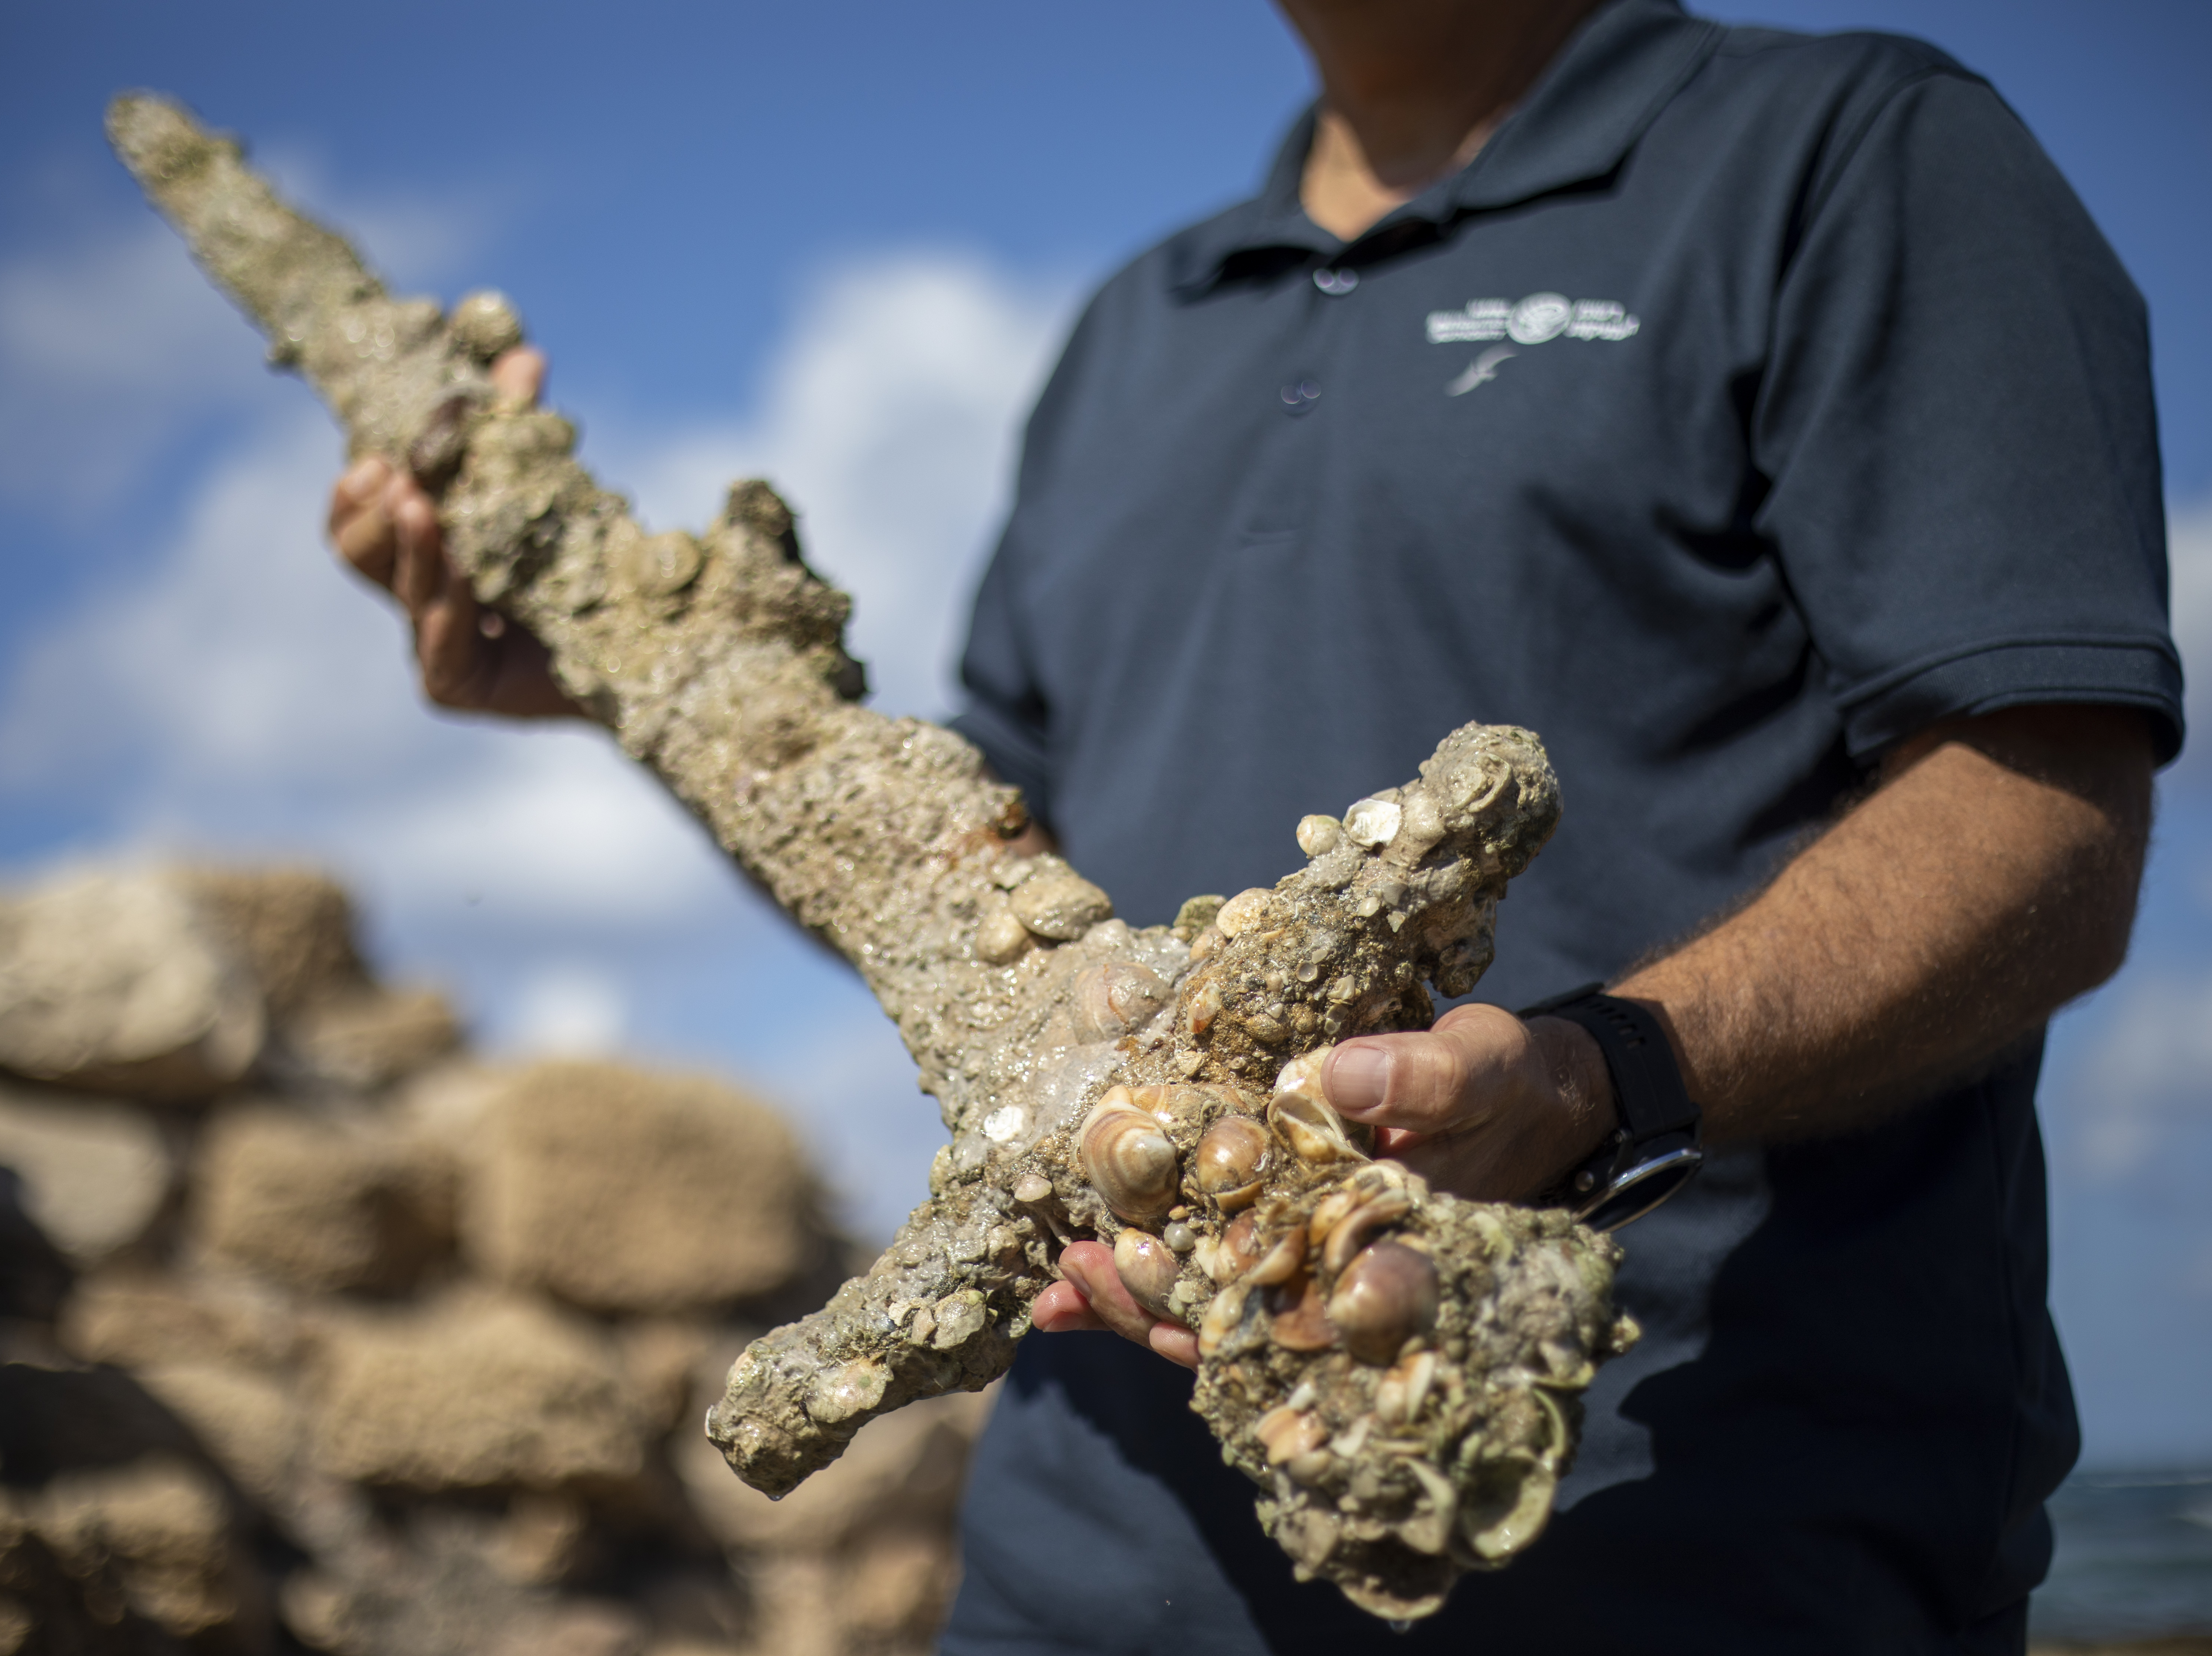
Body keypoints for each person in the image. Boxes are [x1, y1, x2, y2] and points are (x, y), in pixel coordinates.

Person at [327, 0, 2181, 1648]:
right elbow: (965, 921)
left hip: (1703, 1553)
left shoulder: (1846, 157)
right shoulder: (1137, 322)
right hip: (1067, 1577)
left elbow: (2044, 817)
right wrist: (627, 703)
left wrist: (1598, 1076)